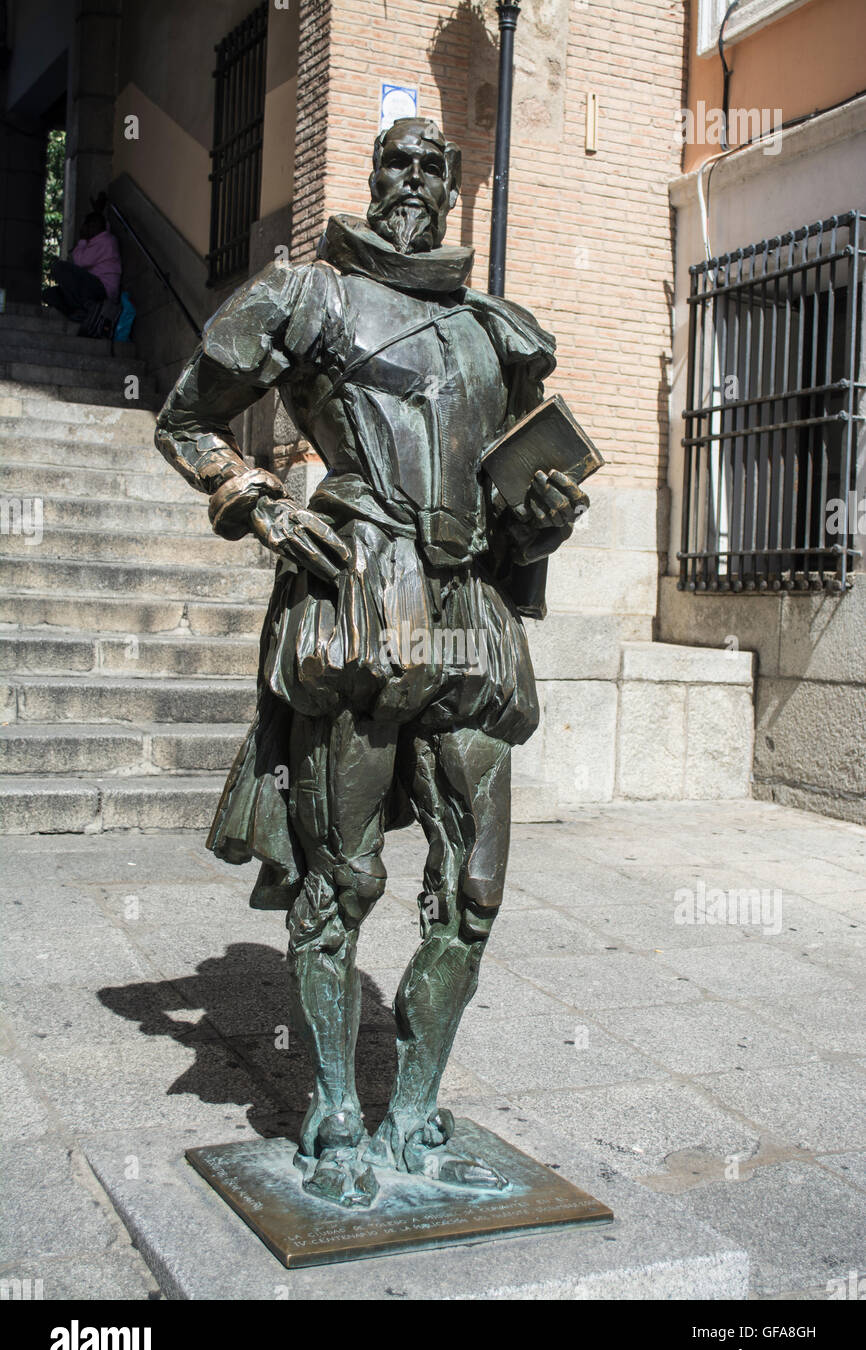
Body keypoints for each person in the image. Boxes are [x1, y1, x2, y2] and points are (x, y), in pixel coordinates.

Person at [155, 118, 588, 1207]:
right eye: (395, 162)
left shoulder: (495, 331)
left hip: (470, 613)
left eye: (431, 170)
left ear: (449, 193)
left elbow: (511, 499)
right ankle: (336, 1108)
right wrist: (251, 497)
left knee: (473, 891)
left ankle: (416, 1109)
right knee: (341, 878)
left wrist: (541, 520)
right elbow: (186, 416)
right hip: (360, 600)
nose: (411, 183)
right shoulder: (306, 297)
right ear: (369, 175)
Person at [43, 197, 122, 336]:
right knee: (49, 294)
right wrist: (97, 211)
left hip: (102, 289)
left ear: (94, 226)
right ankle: (83, 313)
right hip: (91, 288)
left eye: (87, 226)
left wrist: (82, 240)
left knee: (59, 267)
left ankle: (86, 310)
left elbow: (79, 261)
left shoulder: (106, 241)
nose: (84, 229)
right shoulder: (100, 238)